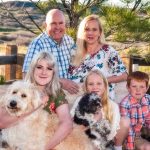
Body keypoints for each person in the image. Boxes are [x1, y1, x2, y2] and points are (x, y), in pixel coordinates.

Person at [0, 51, 73, 150]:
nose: (44, 72)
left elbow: (67, 123)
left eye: (49, 68)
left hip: (43, 142)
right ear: (32, 69)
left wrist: (44, 148)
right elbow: (2, 122)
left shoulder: (56, 93)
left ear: (53, 73)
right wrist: (37, 105)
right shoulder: (19, 87)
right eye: (39, 67)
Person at [68, 14, 127, 101]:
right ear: (82, 32)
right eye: (87, 29)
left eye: (94, 29)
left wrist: (102, 81)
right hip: (75, 99)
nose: (90, 33)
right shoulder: (74, 50)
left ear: (99, 32)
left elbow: (124, 75)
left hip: (100, 100)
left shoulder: (107, 51)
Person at [22, 9, 78, 94]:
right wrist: (61, 82)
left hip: (70, 95)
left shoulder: (69, 41)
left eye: (60, 23)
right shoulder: (38, 44)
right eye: (53, 23)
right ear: (45, 25)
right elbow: (26, 75)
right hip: (48, 95)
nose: (58, 27)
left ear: (65, 24)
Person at [71, 69, 130, 150]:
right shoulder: (80, 101)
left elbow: (113, 130)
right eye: (91, 84)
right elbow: (72, 122)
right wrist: (94, 119)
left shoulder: (112, 105)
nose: (95, 87)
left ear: (105, 86)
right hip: (84, 137)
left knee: (125, 121)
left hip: (105, 139)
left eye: (99, 84)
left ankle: (117, 148)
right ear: (86, 87)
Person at [120, 71, 150, 150]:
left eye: (142, 87)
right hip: (124, 138)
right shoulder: (125, 104)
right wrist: (130, 147)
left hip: (137, 136)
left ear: (147, 88)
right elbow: (129, 130)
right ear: (128, 88)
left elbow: (149, 120)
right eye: (134, 86)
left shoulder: (148, 99)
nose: (138, 90)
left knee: (148, 147)